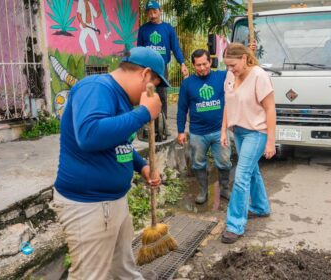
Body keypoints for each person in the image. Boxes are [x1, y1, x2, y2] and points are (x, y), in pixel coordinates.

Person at [51, 47, 168, 280]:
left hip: (114, 201)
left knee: (123, 269)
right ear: (145, 75)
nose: (153, 92)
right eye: (154, 84)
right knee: (90, 275)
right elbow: (90, 134)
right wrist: (144, 113)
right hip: (90, 206)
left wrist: (142, 166)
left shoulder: (122, 98)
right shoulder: (96, 88)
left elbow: (119, 142)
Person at [220, 43, 276, 244]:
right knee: (252, 171)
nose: (230, 69)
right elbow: (228, 103)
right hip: (239, 131)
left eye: (233, 65)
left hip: (256, 133)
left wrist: (270, 141)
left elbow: (270, 109)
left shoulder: (259, 76)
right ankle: (261, 207)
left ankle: (235, 225)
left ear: (244, 58)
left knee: (241, 176)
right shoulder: (230, 76)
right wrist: (223, 129)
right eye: (227, 66)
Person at [176, 49, 232, 204]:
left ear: (210, 62)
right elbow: (182, 109)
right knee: (198, 163)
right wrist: (181, 131)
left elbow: (243, 69)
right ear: (193, 65)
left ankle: (225, 188)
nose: (202, 68)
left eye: (205, 64)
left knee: (225, 161)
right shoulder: (187, 84)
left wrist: (250, 51)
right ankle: (202, 191)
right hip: (197, 133)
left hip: (219, 130)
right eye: (198, 65)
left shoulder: (221, 76)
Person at [137, 0, 189, 137]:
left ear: (160, 11)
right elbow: (139, 50)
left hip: (161, 68)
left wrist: (182, 63)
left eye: (154, 12)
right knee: (147, 96)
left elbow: (175, 48)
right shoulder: (143, 29)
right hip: (147, 69)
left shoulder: (168, 29)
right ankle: (148, 126)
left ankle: (162, 125)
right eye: (149, 12)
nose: (152, 15)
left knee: (162, 96)